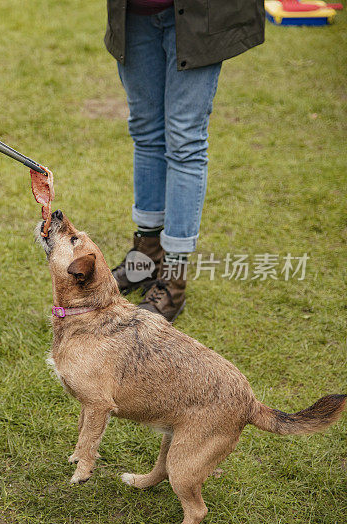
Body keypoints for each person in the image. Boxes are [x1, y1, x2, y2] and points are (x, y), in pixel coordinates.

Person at [106, 0, 264, 322]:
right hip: (133, 13)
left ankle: (173, 279)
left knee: (185, 141)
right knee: (146, 132)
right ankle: (146, 258)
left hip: (199, 15)